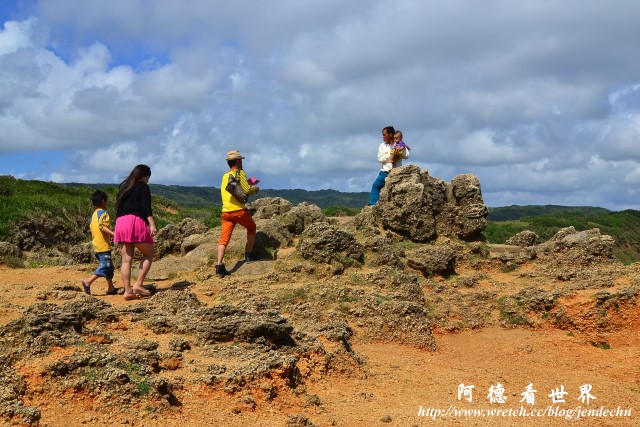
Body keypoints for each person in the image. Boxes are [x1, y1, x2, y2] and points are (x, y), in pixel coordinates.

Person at [113, 164, 156, 301]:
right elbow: (146, 207)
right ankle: (138, 284)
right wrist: (152, 224)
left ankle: (127, 291)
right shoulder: (143, 186)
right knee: (149, 254)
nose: (148, 180)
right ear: (144, 176)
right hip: (135, 221)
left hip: (120, 222)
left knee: (126, 259)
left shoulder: (125, 187)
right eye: (148, 177)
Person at [216, 150, 260, 277]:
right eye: (240, 160)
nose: (242, 162)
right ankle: (249, 255)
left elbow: (238, 186)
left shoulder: (225, 176)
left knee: (223, 240)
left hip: (225, 212)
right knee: (251, 227)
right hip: (238, 211)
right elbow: (246, 189)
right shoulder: (240, 172)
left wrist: (248, 183)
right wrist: (255, 189)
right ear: (237, 161)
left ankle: (219, 266)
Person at [81, 190, 118, 296]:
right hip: (103, 245)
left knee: (109, 267)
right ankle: (88, 282)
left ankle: (111, 288)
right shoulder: (104, 213)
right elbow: (102, 227)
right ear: (103, 201)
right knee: (105, 266)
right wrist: (113, 234)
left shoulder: (93, 215)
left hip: (96, 244)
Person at [369, 126, 410, 205]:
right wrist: (392, 154)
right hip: (384, 172)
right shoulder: (382, 146)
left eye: (384, 135)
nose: (383, 137)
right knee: (376, 185)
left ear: (390, 134)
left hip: (397, 173)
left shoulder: (400, 144)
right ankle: (373, 205)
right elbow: (380, 158)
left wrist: (402, 149)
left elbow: (406, 156)